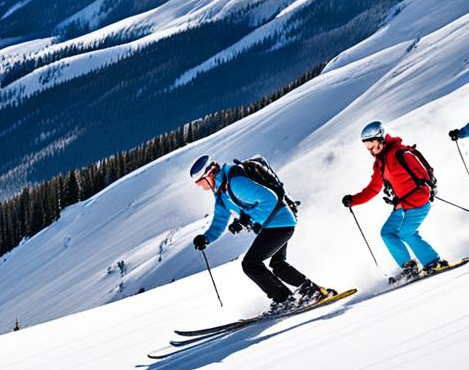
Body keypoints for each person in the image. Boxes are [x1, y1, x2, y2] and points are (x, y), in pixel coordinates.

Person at [189, 155, 333, 313]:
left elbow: (269, 199)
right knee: (278, 265)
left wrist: (249, 219)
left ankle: (284, 300)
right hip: (276, 225)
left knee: (250, 264)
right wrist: (205, 238)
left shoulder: (235, 182)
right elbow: (219, 221)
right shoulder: (221, 193)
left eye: (198, 183)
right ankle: (313, 293)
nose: (199, 187)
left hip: (279, 223)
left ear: (209, 174)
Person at [342, 122, 449, 283]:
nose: (370, 148)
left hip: (417, 200)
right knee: (387, 233)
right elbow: (373, 188)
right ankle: (409, 267)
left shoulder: (400, 153)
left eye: (372, 143)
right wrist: (353, 200)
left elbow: (423, 173)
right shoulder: (380, 163)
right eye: (366, 145)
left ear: (381, 138)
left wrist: (428, 190)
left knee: (406, 232)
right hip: (402, 206)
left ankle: (433, 262)